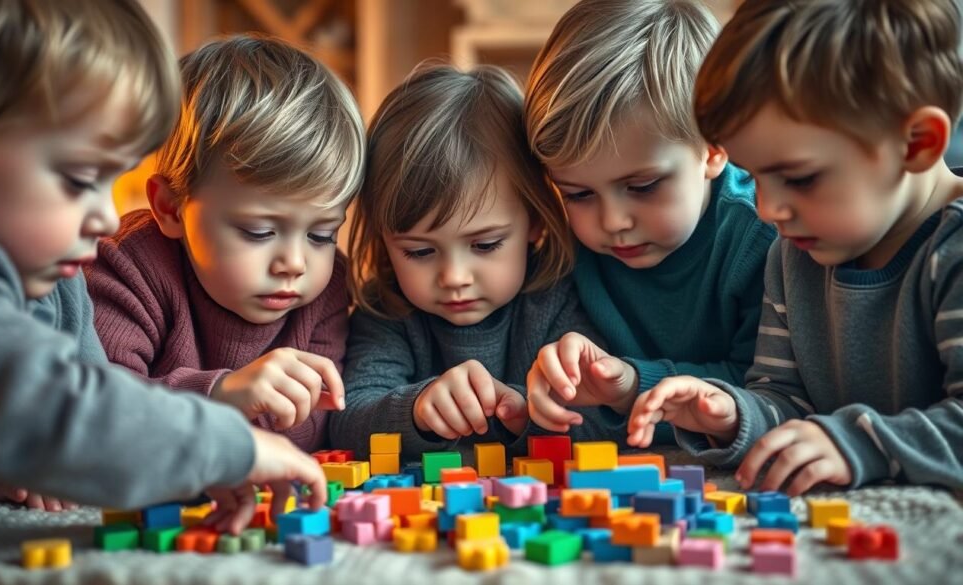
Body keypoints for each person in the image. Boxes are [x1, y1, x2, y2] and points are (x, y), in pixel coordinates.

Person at [0, 0, 326, 533]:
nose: (104, 216)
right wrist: (222, 445)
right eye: (79, 179)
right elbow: (58, 409)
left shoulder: (59, 276)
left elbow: (100, 408)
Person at [627, 0, 963, 494]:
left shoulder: (950, 250)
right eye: (755, 176)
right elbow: (788, 401)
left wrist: (858, 443)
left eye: (799, 178)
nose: (767, 209)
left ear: (915, 144)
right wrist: (729, 412)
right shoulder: (796, 253)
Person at [86, 34, 364, 454]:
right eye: (258, 231)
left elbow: (319, 426)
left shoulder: (325, 287)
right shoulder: (127, 264)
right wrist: (219, 396)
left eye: (321, 235)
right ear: (171, 208)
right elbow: (96, 412)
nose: (294, 263)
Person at [523, 0, 775, 440]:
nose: (613, 221)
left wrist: (632, 384)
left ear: (714, 148)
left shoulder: (761, 235)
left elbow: (769, 394)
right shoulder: (565, 245)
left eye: (642, 187)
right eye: (578, 194)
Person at [330, 64, 610, 460]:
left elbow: (606, 422)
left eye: (485, 245)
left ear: (534, 220)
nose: (454, 277)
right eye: (420, 252)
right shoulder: (389, 309)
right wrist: (417, 408)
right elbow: (347, 420)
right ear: (384, 240)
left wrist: (525, 413)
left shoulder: (562, 295)